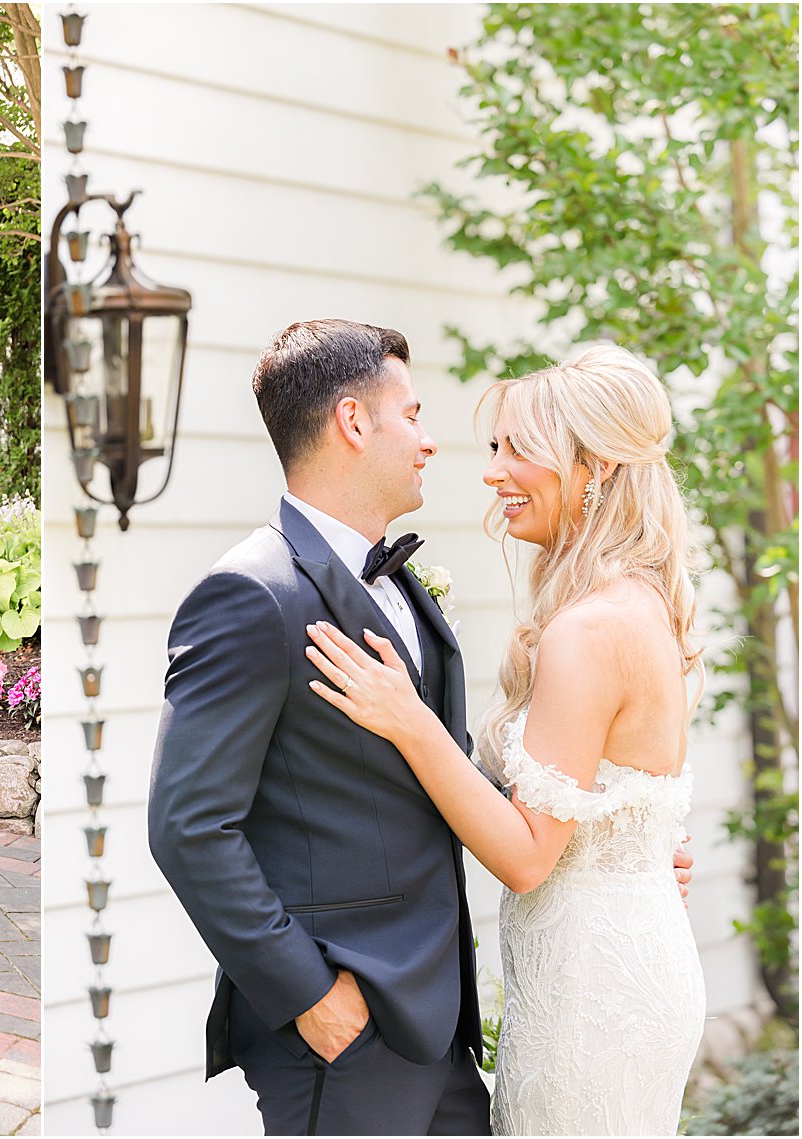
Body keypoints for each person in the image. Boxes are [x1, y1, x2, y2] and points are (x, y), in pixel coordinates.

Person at [147, 320, 693, 1136]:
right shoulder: (253, 595)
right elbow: (186, 825)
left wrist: (618, 842)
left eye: (516, 448)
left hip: (447, 1023)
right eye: (413, 414)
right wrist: (311, 995)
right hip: (347, 1026)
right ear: (354, 423)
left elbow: (498, 797)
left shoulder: (444, 594)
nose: (442, 447)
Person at [305, 344, 705, 1135]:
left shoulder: (588, 630)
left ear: (591, 468)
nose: (493, 473)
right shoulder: (638, 599)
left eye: (519, 449)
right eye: (496, 448)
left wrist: (412, 722)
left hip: (593, 992)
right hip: (618, 959)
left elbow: (527, 857)